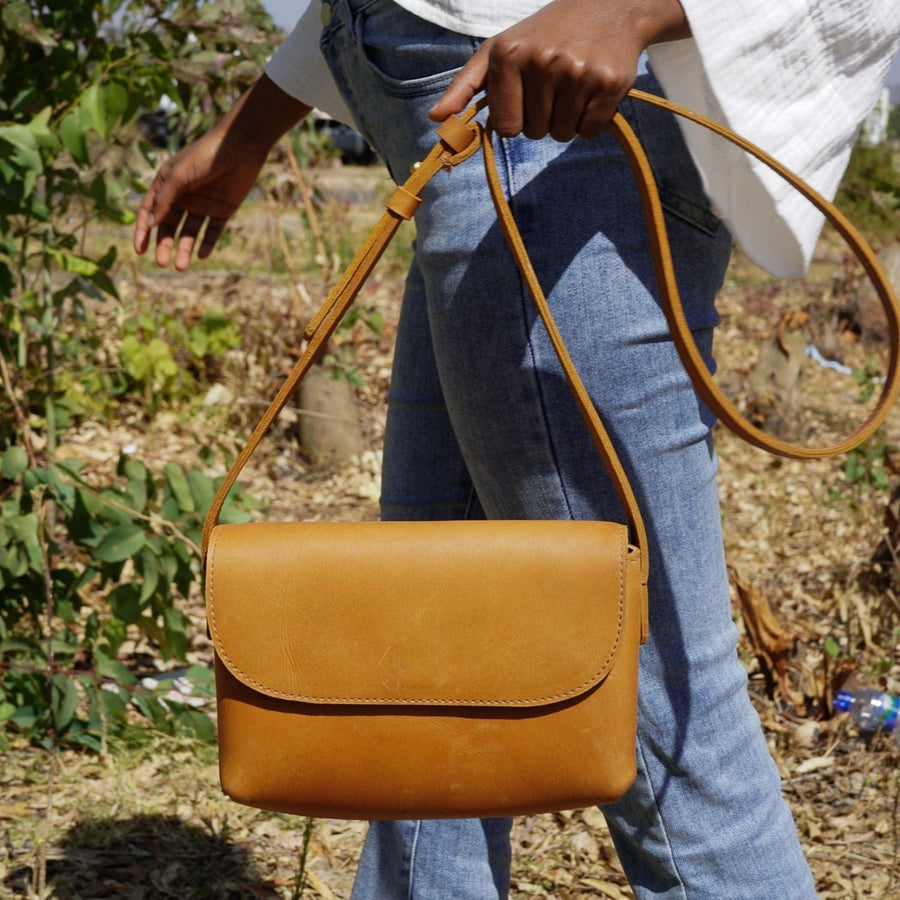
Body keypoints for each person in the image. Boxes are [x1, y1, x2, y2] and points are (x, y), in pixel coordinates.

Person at [134, 1, 899, 896]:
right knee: (420, 699)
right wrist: (247, 130)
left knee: (670, 739)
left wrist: (633, 8)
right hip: (473, 142)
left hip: (548, 145)